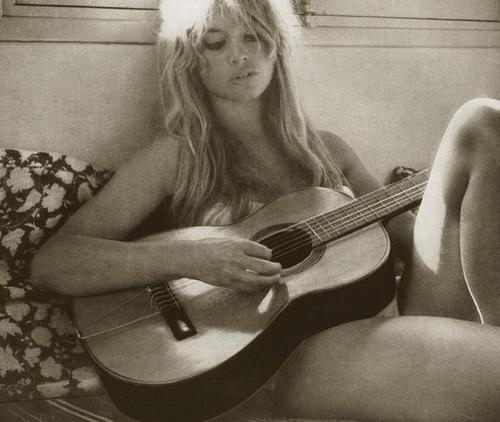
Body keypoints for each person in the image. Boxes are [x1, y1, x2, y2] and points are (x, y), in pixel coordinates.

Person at [31, 0, 500, 421]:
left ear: (275, 46)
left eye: (253, 36)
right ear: (189, 60)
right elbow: (54, 263)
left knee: (482, 120)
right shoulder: (177, 156)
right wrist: (192, 258)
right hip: (286, 357)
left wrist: (462, 192)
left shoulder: (328, 151)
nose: (240, 55)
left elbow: (423, 249)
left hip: (386, 318)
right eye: (216, 43)